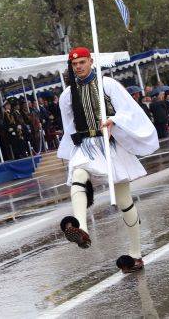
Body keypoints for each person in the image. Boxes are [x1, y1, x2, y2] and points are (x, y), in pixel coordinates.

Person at [57, 47, 158, 274]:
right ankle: (81, 228)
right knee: (78, 175)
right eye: (75, 64)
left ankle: (135, 255)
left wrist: (113, 120)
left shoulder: (108, 84)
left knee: (124, 200)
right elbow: (68, 125)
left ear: (91, 61)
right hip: (86, 144)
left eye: (82, 62)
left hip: (111, 144)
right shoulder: (66, 95)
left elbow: (129, 111)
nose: (79, 67)